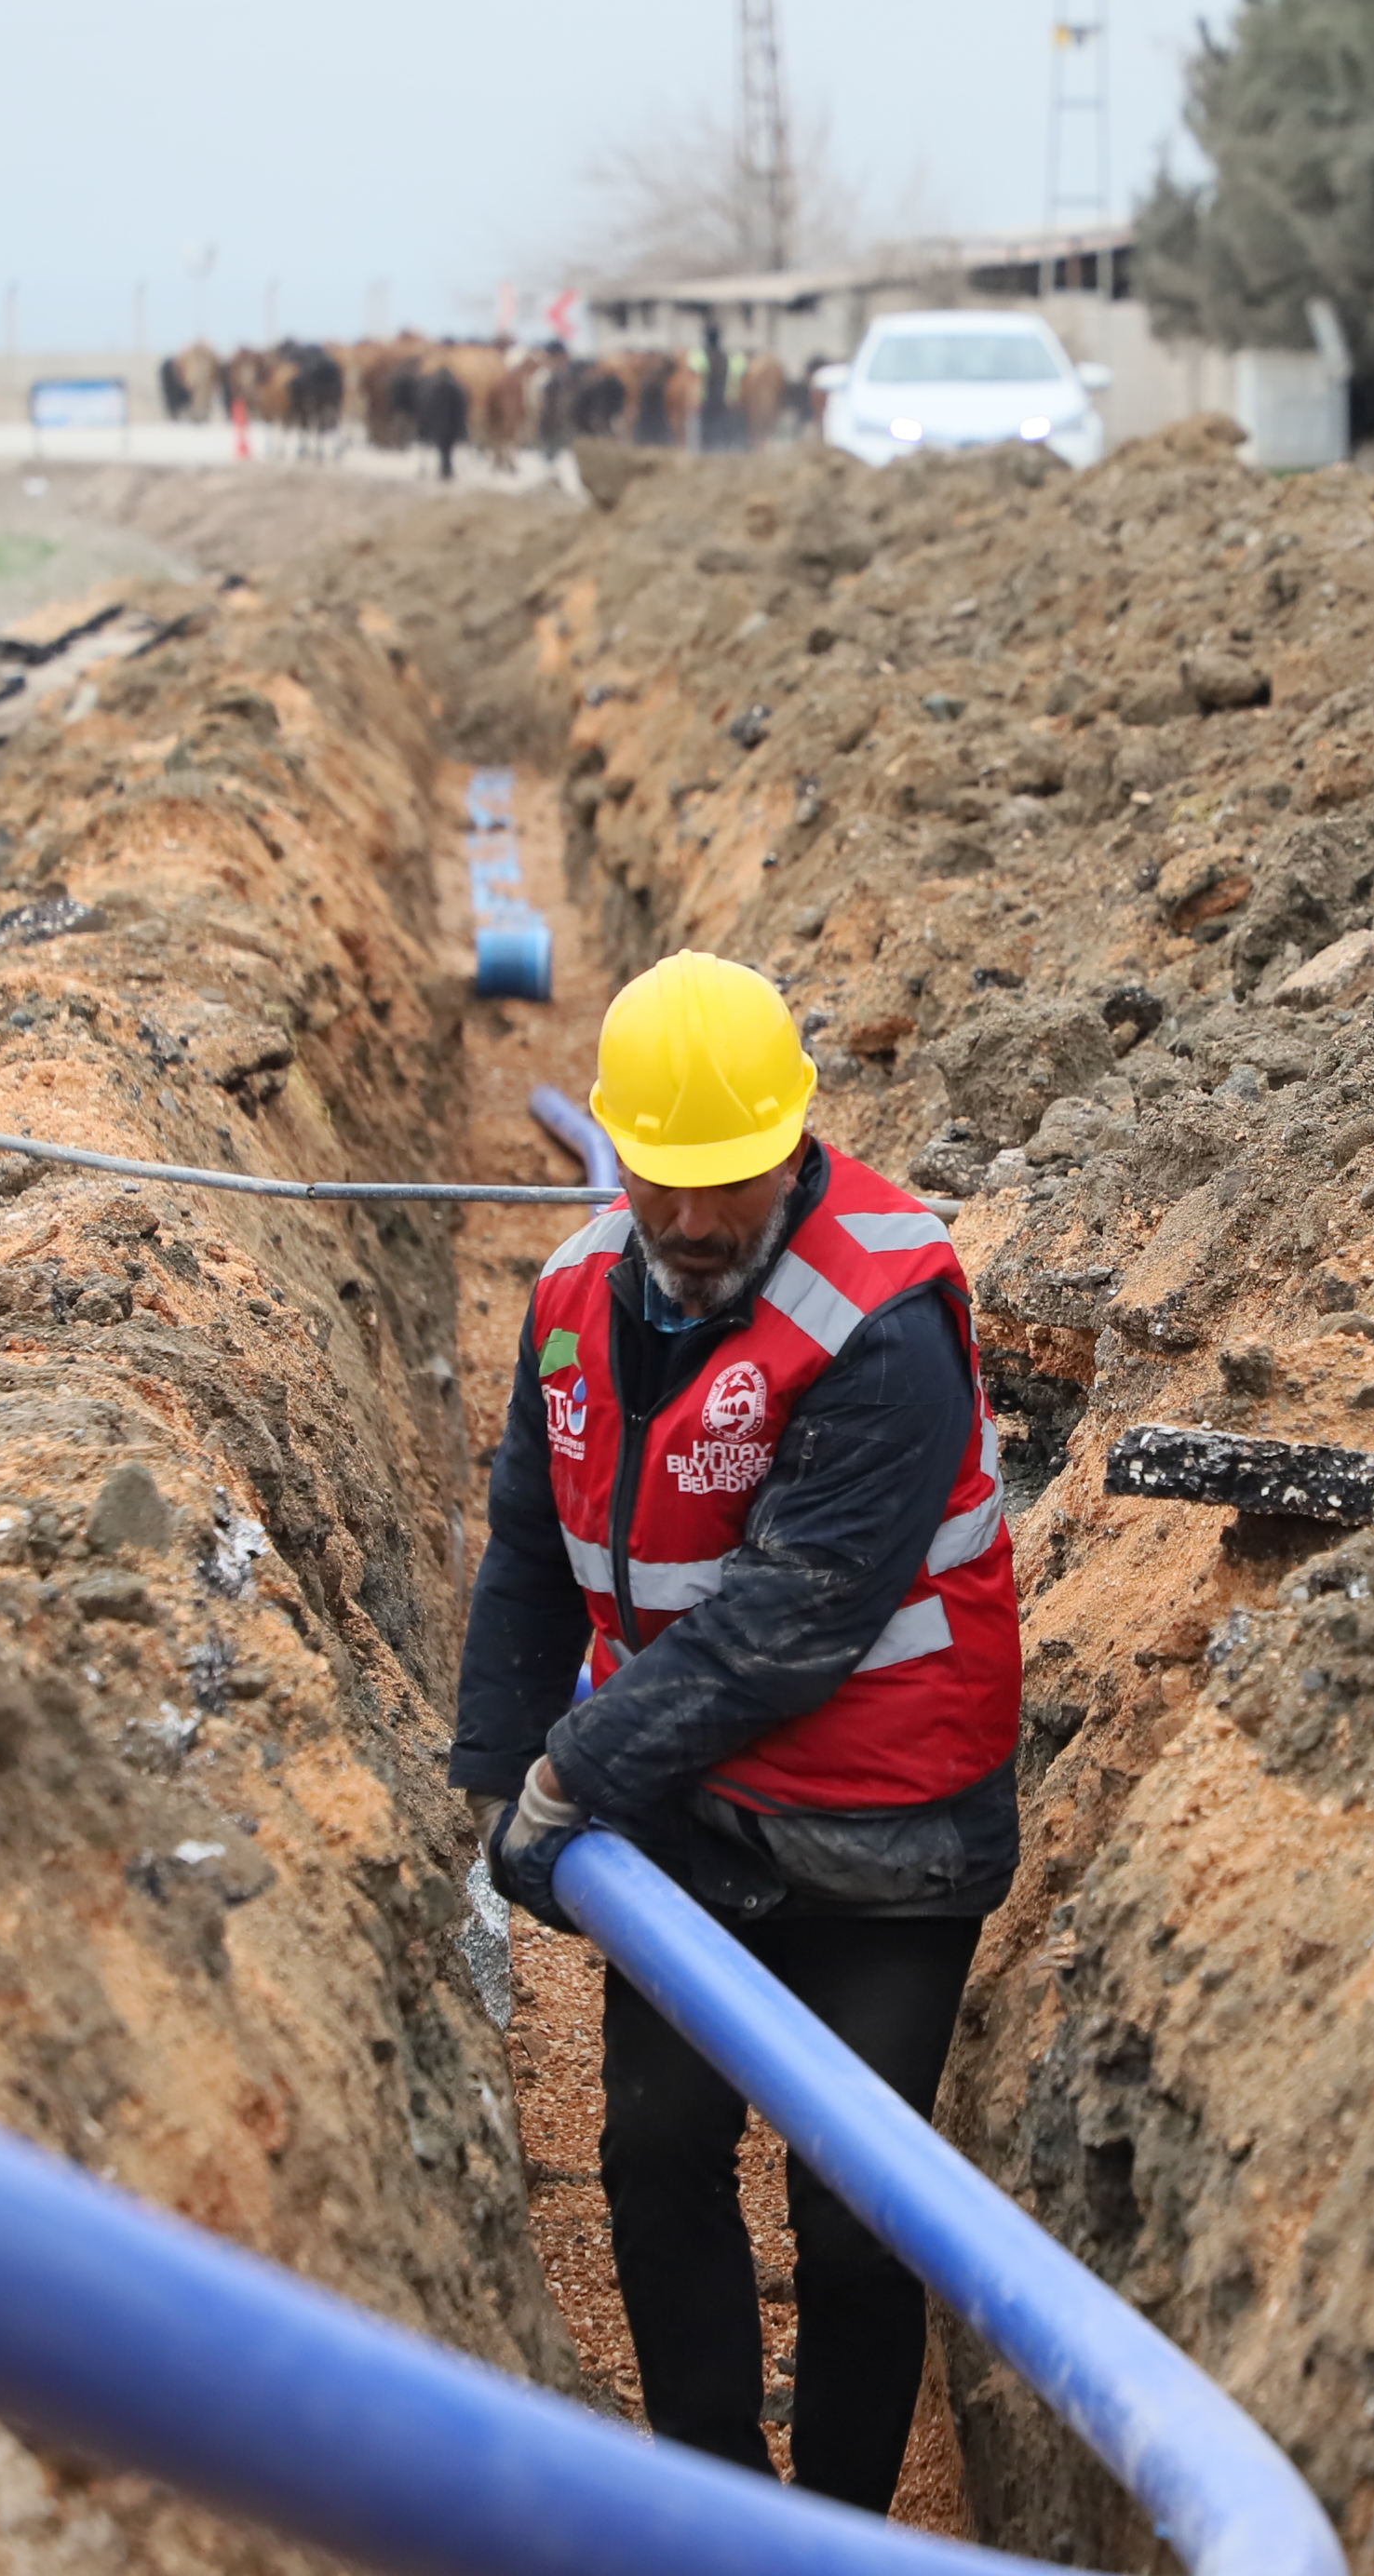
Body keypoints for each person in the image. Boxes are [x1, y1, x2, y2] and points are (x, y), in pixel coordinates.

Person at [454, 950, 1021, 2516]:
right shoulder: (573, 1301)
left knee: (856, 2211)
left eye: (733, 1186)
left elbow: (796, 1612)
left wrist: (575, 1775)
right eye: (664, 1184)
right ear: (621, 1155)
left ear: (798, 1142)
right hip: (693, 1812)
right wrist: (493, 1767)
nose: (698, 1224)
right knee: (651, 2156)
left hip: (887, 1829)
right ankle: (713, 2512)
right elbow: (525, 1539)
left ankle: (838, 2534)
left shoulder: (884, 1319)